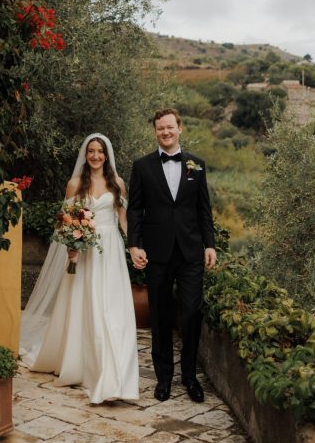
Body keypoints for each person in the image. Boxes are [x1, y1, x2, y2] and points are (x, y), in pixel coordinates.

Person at [19, 133, 139, 405]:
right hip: (84, 253)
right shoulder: (74, 184)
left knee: (112, 309)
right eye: (91, 151)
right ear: (85, 155)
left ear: (107, 155)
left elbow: (123, 220)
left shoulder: (117, 183)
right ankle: (88, 366)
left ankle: (114, 371)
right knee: (88, 305)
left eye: (100, 151)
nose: (95, 156)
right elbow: (66, 222)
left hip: (110, 252)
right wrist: (71, 246)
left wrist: (134, 248)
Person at [127, 108, 217, 403]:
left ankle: (190, 377)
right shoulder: (142, 166)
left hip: (190, 252)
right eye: (160, 128)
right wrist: (134, 245)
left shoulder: (197, 165)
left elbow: (204, 209)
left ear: (180, 128)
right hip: (157, 252)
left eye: (170, 127)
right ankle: (163, 378)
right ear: (155, 131)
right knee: (160, 315)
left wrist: (209, 244)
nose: (165, 132)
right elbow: (135, 210)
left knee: (191, 313)